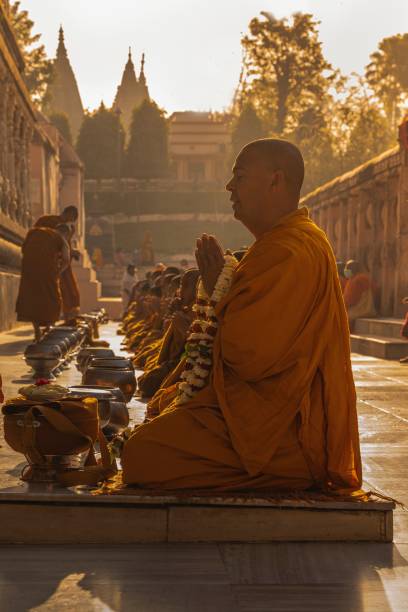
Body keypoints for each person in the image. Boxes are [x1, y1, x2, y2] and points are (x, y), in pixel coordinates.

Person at [122, 139, 362, 494]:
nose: (229, 187)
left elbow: (246, 355)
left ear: (275, 181)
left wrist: (219, 290)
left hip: (281, 433)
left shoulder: (291, 250)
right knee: (161, 411)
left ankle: (284, 471)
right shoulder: (277, 245)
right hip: (257, 417)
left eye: (239, 176)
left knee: (142, 453)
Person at [16, 225, 70, 341]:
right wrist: (58, 271)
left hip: (29, 269)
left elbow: (23, 249)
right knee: (53, 299)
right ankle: (49, 327)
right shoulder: (60, 237)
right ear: (65, 233)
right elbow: (66, 259)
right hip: (47, 270)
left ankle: (36, 329)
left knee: (32, 298)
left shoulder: (34, 232)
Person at [35, 206, 81, 324]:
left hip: (61, 263)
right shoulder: (47, 221)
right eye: (71, 217)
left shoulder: (66, 228)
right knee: (53, 293)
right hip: (47, 262)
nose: (70, 220)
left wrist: (72, 251)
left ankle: (69, 318)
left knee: (71, 292)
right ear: (67, 213)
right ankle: (47, 320)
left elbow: (65, 246)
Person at [343, 260, 376, 330]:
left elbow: (352, 298)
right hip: (363, 307)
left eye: (347, 269)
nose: (345, 271)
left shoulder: (358, 279)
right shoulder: (356, 278)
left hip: (361, 308)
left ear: (353, 269)